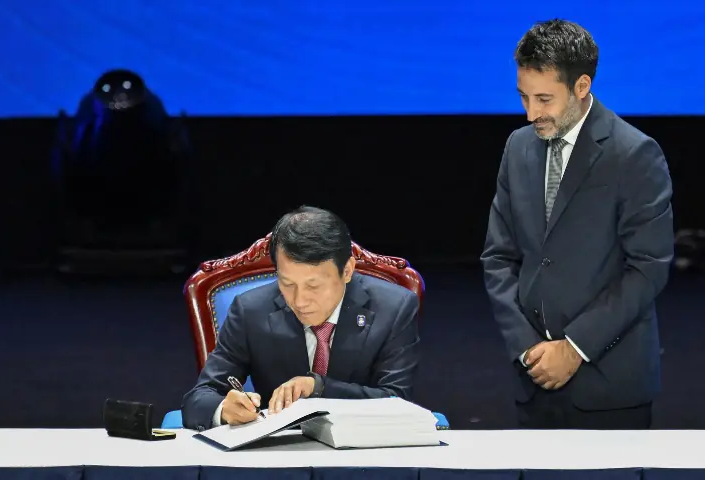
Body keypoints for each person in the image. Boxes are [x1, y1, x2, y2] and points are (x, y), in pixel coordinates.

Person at [480, 19, 674, 429]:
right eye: (523, 97)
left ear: (582, 86)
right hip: (533, 379)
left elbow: (648, 267)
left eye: (544, 99)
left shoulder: (634, 154)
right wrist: (527, 348)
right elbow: (498, 256)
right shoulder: (517, 147)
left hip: (610, 387)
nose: (531, 113)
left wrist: (574, 348)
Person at [182, 206, 421, 431]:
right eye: (287, 283)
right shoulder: (250, 310)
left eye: (314, 286)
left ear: (347, 270)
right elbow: (199, 398)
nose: (299, 301)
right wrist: (224, 409)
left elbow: (397, 400)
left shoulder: (394, 308)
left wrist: (319, 388)